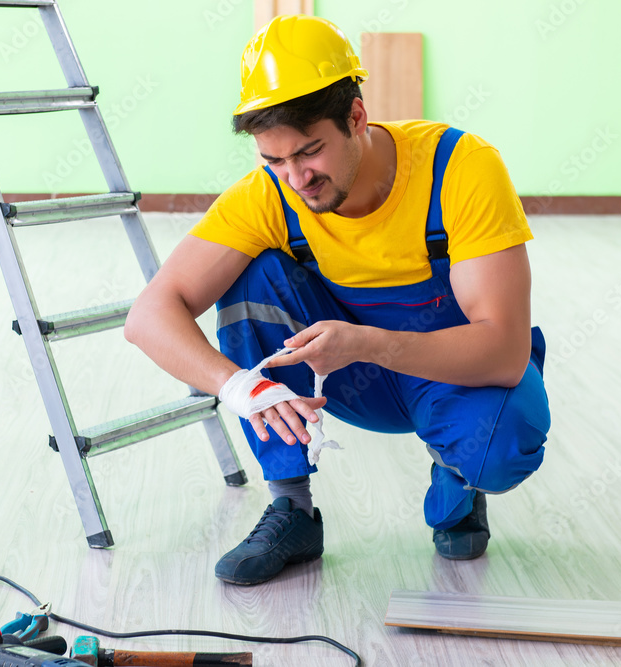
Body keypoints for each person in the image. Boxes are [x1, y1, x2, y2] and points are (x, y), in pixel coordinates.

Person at [124, 14, 550, 585]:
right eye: (273, 159)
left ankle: (457, 474)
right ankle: (291, 508)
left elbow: (502, 351)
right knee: (253, 273)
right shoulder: (269, 194)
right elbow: (149, 314)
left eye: (309, 152)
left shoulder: (461, 169)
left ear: (356, 116)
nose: (295, 177)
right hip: (341, 380)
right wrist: (239, 386)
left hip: (452, 373)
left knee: (499, 448)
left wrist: (368, 343)